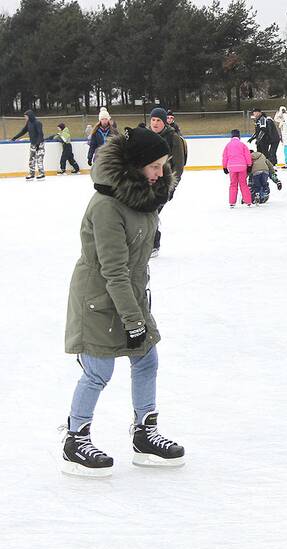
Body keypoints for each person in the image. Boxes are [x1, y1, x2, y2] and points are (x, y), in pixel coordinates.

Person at [60, 126, 186, 477]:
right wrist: (132, 321)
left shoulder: (144, 198)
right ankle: (75, 439)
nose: (161, 174)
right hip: (97, 299)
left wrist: (137, 313)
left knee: (147, 360)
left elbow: (136, 264)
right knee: (98, 372)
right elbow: (113, 270)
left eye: (164, 166)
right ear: (134, 166)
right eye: (155, 166)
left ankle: (145, 433)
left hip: (131, 294)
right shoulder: (105, 206)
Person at [148, 107, 186, 257]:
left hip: (164, 184)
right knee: (145, 212)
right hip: (147, 182)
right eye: (153, 120)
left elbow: (179, 166)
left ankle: (153, 244)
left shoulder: (173, 138)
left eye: (158, 120)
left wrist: (171, 187)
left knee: (151, 212)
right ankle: (146, 243)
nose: (155, 123)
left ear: (164, 122)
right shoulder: (147, 136)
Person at [221, 129, 253, 208]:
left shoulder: (228, 145)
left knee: (233, 184)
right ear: (239, 136)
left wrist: (224, 167)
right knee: (243, 184)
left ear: (231, 136)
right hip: (242, 167)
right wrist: (249, 165)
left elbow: (224, 157)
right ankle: (248, 201)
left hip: (232, 168)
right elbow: (247, 155)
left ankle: (232, 202)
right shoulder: (242, 145)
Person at [12, 109, 45, 180]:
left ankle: (41, 174)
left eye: (26, 116)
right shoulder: (29, 123)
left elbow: (40, 134)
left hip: (40, 144)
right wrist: (15, 137)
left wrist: (38, 144)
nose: (25, 118)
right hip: (33, 144)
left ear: (30, 116)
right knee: (31, 159)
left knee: (39, 159)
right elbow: (23, 131)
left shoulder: (38, 123)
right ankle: (31, 174)